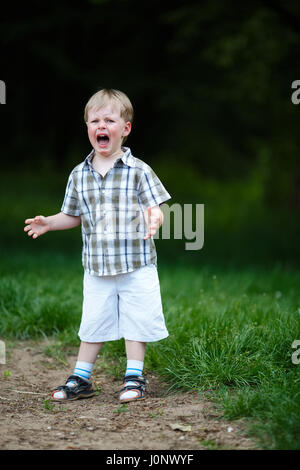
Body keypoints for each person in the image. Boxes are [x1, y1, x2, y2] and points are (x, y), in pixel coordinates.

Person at [24, 88, 171, 403]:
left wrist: (154, 217)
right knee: (93, 322)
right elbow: (72, 215)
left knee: (137, 319)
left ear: (125, 129)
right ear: (88, 128)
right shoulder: (79, 174)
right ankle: (81, 378)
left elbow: (155, 206)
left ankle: (134, 377)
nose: (101, 126)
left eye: (109, 120)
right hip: (97, 267)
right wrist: (49, 222)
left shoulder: (139, 170)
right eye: (94, 120)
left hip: (136, 263)